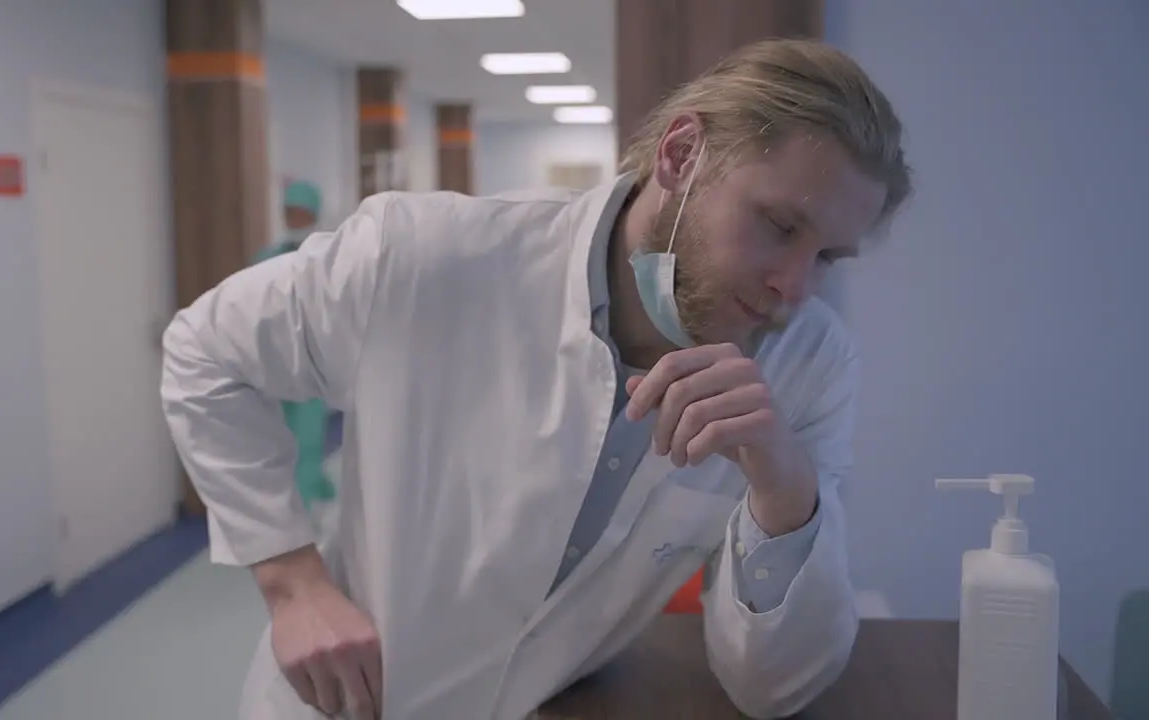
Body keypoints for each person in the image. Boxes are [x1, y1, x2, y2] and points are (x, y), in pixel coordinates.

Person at [161, 38, 912, 720]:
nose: (794, 287)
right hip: (342, 702)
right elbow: (203, 352)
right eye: (780, 227)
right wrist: (293, 584)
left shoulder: (809, 365)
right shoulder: (427, 254)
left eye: (828, 259)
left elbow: (775, 687)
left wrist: (784, 489)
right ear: (682, 155)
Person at [250, 180, 339, 514]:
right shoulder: (266, 258)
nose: (295, 219)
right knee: (276, 439)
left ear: (314, 215)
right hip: (275, 360)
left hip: (313, 362)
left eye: (302, 213)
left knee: (306, 437)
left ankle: (300, 511)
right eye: (290, 213)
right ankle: (293, 498)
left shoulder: (327, 258)